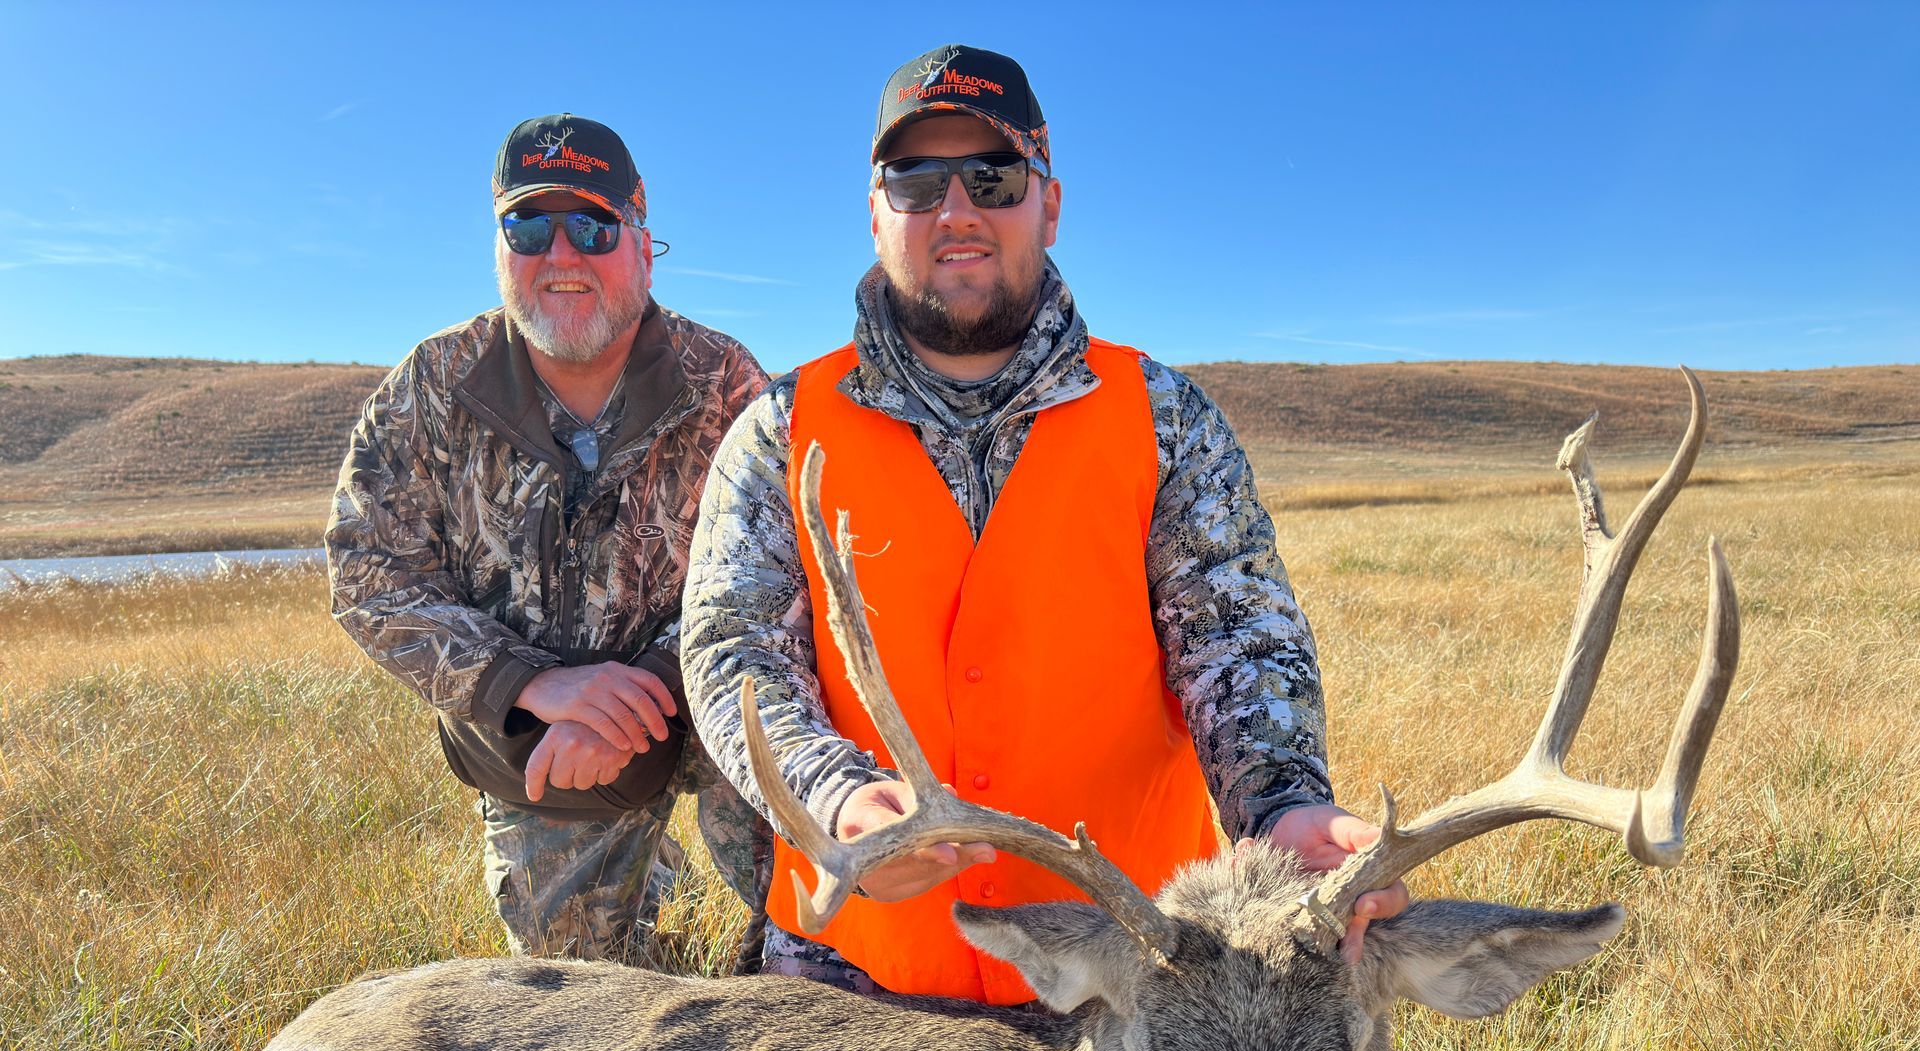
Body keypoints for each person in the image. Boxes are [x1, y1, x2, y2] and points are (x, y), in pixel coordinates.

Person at [682, 48, 1405, 1002]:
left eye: (993, 175)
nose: (957, 208)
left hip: (1135, 970)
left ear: (1048, 204)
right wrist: (838, 800)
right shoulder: (783, 426)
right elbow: (734, 647)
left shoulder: (1164, 416)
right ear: (875, 210)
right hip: (850, 980)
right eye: (916, 178)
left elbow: (1237, 636)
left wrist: (1281, 804)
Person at [327, 113, 768, 962]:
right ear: (500, 247)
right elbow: (366, 572)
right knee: (576, 1001)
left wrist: (638, 690)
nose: (562, 255)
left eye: (593, 225)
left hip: (705, 705)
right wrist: (528, 684)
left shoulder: (726, 382)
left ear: (641, 239)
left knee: (825, 928)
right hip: (538, 743)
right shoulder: (432, 387)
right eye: (529, 226)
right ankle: (642, 880)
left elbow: (773, 577)